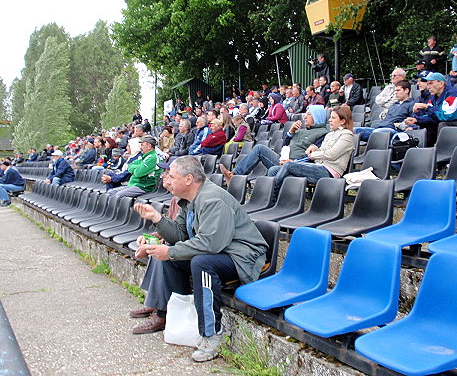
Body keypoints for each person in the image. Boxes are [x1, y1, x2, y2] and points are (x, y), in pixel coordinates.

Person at [131, 156, 268, 362]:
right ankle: (171, 315)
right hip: (222, 250)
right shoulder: (187, 200)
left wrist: (169, 252)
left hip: (243, 255)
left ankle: (212, 335)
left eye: (172, 176)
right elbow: (179, 234)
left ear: (188, 179)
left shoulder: (212, 199)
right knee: (172, 255)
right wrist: (156, 219)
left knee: (200, 262)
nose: (167, 180)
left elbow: (211, 244)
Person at [220, 105, 329, 182]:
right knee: (259, 148)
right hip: (283, 161)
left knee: (272, 168)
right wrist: (290, 132)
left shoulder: (323, 133)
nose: (304, 116)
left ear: (317, 116)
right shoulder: (301, 130)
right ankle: (234, 175)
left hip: (295, 165)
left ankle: (234, 178)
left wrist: (293, 162)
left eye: (308, 115)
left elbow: (313, 156)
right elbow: (284, 147)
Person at [271, 105, 355, 199]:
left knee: (288, 165)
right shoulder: (330, 134)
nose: (329, 120)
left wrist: (313, 155)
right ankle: (283, 201)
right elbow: (323, 151)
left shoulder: (347, 136)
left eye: (333, 118)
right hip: (318, 167)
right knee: (274, 170)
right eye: (330, 117)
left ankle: (273, 200)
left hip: (329, 171)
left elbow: (331, 154)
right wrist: (314, 148)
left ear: (343, 121)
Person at [404, 72, 457, 146]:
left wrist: (427, 107)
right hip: (452, 123)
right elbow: (431, 117)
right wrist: (417, 120)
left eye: (431, 83)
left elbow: (447, 116)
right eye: (427, 84)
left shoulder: (452, 94)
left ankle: (443, 151)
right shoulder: (433, 97)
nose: (428, 87)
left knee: (443, 125)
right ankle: (427, 151)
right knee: (428, 125)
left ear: (441, 84)